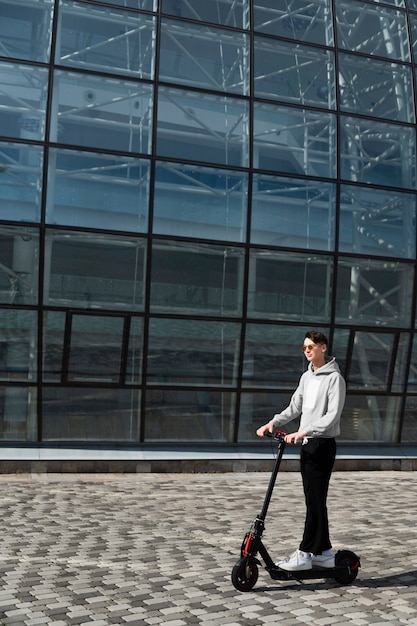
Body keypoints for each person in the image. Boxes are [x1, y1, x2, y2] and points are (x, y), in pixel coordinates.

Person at [256, 330, 346, 572]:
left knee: (315, 501)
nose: (307, 350)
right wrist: (273, 423)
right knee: (314, 501)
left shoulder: (334, 379)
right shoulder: (307, 377)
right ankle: (324, 552)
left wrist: (304, 432)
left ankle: (305, 553)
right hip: (307, 446)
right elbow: (294, 406)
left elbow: (332, 416)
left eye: (311, 346)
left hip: (322, 445)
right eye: (304, 347)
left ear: (323, 348)